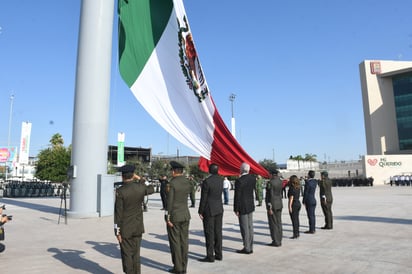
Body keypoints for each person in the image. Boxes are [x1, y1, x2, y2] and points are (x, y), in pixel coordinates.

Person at [114, 165, 154, 274]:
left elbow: (118, 213)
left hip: (125, 228)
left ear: (122, 176)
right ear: (133, 175)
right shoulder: (140, 187)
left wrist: (117, 231)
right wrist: (140, 178)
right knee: (136, 255)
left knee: (127, 255)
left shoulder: (120, 191)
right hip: (137, 227)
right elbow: (151, 188)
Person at [165, 161, 192, 274]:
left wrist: (167, 217)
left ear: (174, 171)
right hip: (185, 215)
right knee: (184, 242)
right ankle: (184, 266)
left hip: (175, 216)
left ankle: (178, 267)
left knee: (175, 242)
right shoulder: (187, 182)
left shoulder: (172, 183)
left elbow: (169, 203)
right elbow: (192, 190)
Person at [198, 163, 224, 262]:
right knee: (218, 232)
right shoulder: (221, 180)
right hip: (219, 208)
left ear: (209, 171)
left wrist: (200, 210)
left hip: (209, 209)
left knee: (209, 233)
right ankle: (219, 254)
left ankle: (210, 256)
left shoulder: (207, 182)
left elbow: (203, 198)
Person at [233, 162, 256, 254]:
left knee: (244, 227)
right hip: (250, 205)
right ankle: (250, 246)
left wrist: (236, 208)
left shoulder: (239, 180)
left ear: (241, 169)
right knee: (250, 227)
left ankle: (246, 248)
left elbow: (237, 196)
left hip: (242, 206)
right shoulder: (252, 178)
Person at [265, 170, 283, 247]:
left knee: (273, 224)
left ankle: (276, 241)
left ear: (272, 174)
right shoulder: (280, 181)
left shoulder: (270, 183)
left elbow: (269, 196)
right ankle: (279, 239)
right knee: (279, 222)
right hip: (279, 203)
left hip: (273, 205)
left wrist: (269, 207)